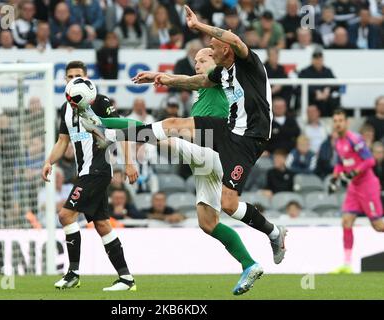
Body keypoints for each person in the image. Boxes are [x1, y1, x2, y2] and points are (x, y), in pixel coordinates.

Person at [82, 6, 288, 294]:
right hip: (225, 138)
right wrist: (164, 77)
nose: (203, 57)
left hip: (232, 142)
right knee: (210, 220)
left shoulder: (245, 62)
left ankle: (103, 124)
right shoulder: (215, 80)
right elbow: (198, 81)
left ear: (225, 50)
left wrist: (199, 25)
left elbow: (232, 39)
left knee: (166, 129)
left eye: (207, 53)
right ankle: (255, 257)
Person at [41, 61, 138, 291]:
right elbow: (62, 141)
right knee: (103, 225)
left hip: (98, 170)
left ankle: (73, 273)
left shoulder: (100, 101)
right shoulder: (65, 109)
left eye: (78, 75)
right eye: (70, 76)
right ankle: (126, 278)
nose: (74, 79)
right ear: (65, 80)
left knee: (65, 215)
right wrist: (48, 161)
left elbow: (122, 130)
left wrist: (129, 163)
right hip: (84, 171)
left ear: (86, 79)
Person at [329, 109, 384, 274]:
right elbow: (340, 162)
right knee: (346, 221)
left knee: (378, 226)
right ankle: (347, 264)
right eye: (335, 120)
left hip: (367, 185)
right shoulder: (338, 142)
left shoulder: (355, 139)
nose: (338, 123)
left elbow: (370, 160)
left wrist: (353, 172)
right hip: (354, 187)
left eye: (340, 120)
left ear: (347, 122)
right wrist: (335, 177)